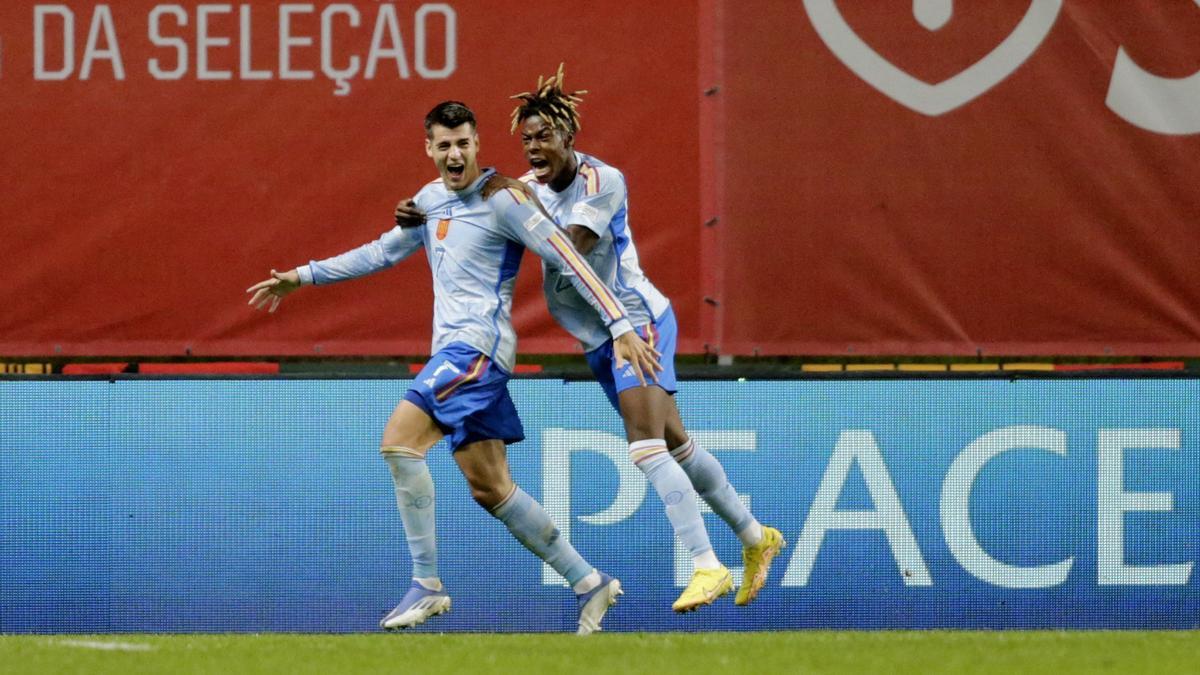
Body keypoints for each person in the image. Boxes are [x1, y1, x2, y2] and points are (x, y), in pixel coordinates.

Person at [246, 100, 661, 635]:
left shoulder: (505, 198)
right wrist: (300, 276)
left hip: (476, 352)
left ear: (477, 144)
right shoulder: (427, 201)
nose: (454, 153)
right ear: (429, 149)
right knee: (491, 489)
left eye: (463, 142)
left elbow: (564, 251)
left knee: (399, 443)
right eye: (444, 145)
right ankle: (589, 582)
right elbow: (379, 252)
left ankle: (427, 584)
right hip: (463, 354)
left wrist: (618, 323)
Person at [398, 67, 785, 613]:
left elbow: (569, 250)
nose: (534, 147)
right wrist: (425, 210)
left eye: (545, 137)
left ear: (568, 138)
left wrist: (508, 206)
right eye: (526, 138)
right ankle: (754, 536)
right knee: (675, 442)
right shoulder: (522, 189)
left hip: (634, 322)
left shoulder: (603, 182)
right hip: (598, 339)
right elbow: (470, 211)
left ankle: (706, 565)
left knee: (645, 444)